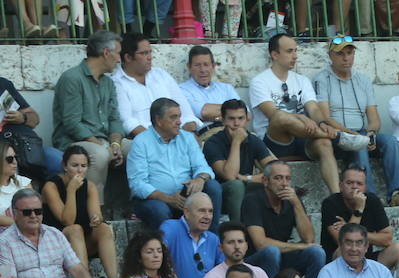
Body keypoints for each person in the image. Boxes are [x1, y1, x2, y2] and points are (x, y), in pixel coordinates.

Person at [313, 38, 399, 209]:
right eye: (340, 54)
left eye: (350, 53)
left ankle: (397, 193)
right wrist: (355, 135)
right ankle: (370, 196)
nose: (346, 58)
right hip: (337, 134)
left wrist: (371, 133)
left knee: (389, 141)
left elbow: (373, 118)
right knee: (359, 144)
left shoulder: (363, 80)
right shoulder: (322, 79)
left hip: (360, 131)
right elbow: (325, 116)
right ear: (330, 55)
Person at [247, 34, 342, 195]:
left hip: (303, 136)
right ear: (275, 55)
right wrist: (300, 117)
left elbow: (314, 109)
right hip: (275, 140)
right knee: (281, 118)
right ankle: (340, 138)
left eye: (296, 51)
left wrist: (322, 124)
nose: (295, 56)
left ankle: (337, 195)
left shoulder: (302, 80)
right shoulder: (260, 81)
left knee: (324, 144)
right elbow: (272, 114)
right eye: (290, 51)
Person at [51, 32, 127, 196]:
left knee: (138, 147)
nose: (120, 60)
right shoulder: (72, 78)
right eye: (118, 53)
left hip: (104, 141)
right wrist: (102, 146)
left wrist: (115, 145)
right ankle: (95, 212)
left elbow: (114, 118)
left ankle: (138, 204)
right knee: (98, 154)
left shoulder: (108, 83)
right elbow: (72, 123)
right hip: (74, 142)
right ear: (106, 53)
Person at [126, 98, 219, 229]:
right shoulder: (141, 142)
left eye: (179, 116)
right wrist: (167, 198)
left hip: (184, 195)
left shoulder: (187, 138)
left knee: (212, 186)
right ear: (158, 120)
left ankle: (212, 240)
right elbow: (137, 184)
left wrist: (200, 179)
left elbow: (203, 167)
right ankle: (166, 248)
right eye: (174, 117)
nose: (179, 122)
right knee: (159, 210)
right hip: (155, 199)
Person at [240, 161, 327, 278]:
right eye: (278, 178)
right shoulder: (252, 200)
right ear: (265, 180)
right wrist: (299, 246)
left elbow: (309, 239)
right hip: (255, 260)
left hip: (282, 257)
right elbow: (260, 243)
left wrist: (297, 204)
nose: (284, 183)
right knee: (271, 251)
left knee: (316, 252)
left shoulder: (292, 200)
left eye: (287, 178)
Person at [41, 147, 118, 278]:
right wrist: (71, 190)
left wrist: (97, 218)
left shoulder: (89, 186)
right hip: (56, 245)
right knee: (75, 229)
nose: (79, 170)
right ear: (65, 166)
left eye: (83, 166)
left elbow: (96, 214)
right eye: (74, 165)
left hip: (82, 243)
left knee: (103, 228)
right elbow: (67, 221)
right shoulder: (50, 186)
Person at [203, 99, 277, 226]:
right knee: (236, 185)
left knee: (279, 182)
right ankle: (239, 231)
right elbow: (230, 176)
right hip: (221, 194)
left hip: (246, 187)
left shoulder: (252, 140)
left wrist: (247, 178)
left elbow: (276, 170)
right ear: (223, 120)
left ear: (247, 119)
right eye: (231, 118)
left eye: (240, 118)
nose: (236, 123)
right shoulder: (213, 143)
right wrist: (236, 142)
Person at [319, 166, 399, 267]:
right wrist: (358, 210)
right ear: (341, 186)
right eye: (349, 183)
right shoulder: (330, 203)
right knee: (343, 251)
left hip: (366, 258)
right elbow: (343, 241)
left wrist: (351, 229)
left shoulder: (372, 201)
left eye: (359, 183)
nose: (354, 187)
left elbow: (387, 239)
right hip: (337, 261)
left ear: (365, 188)